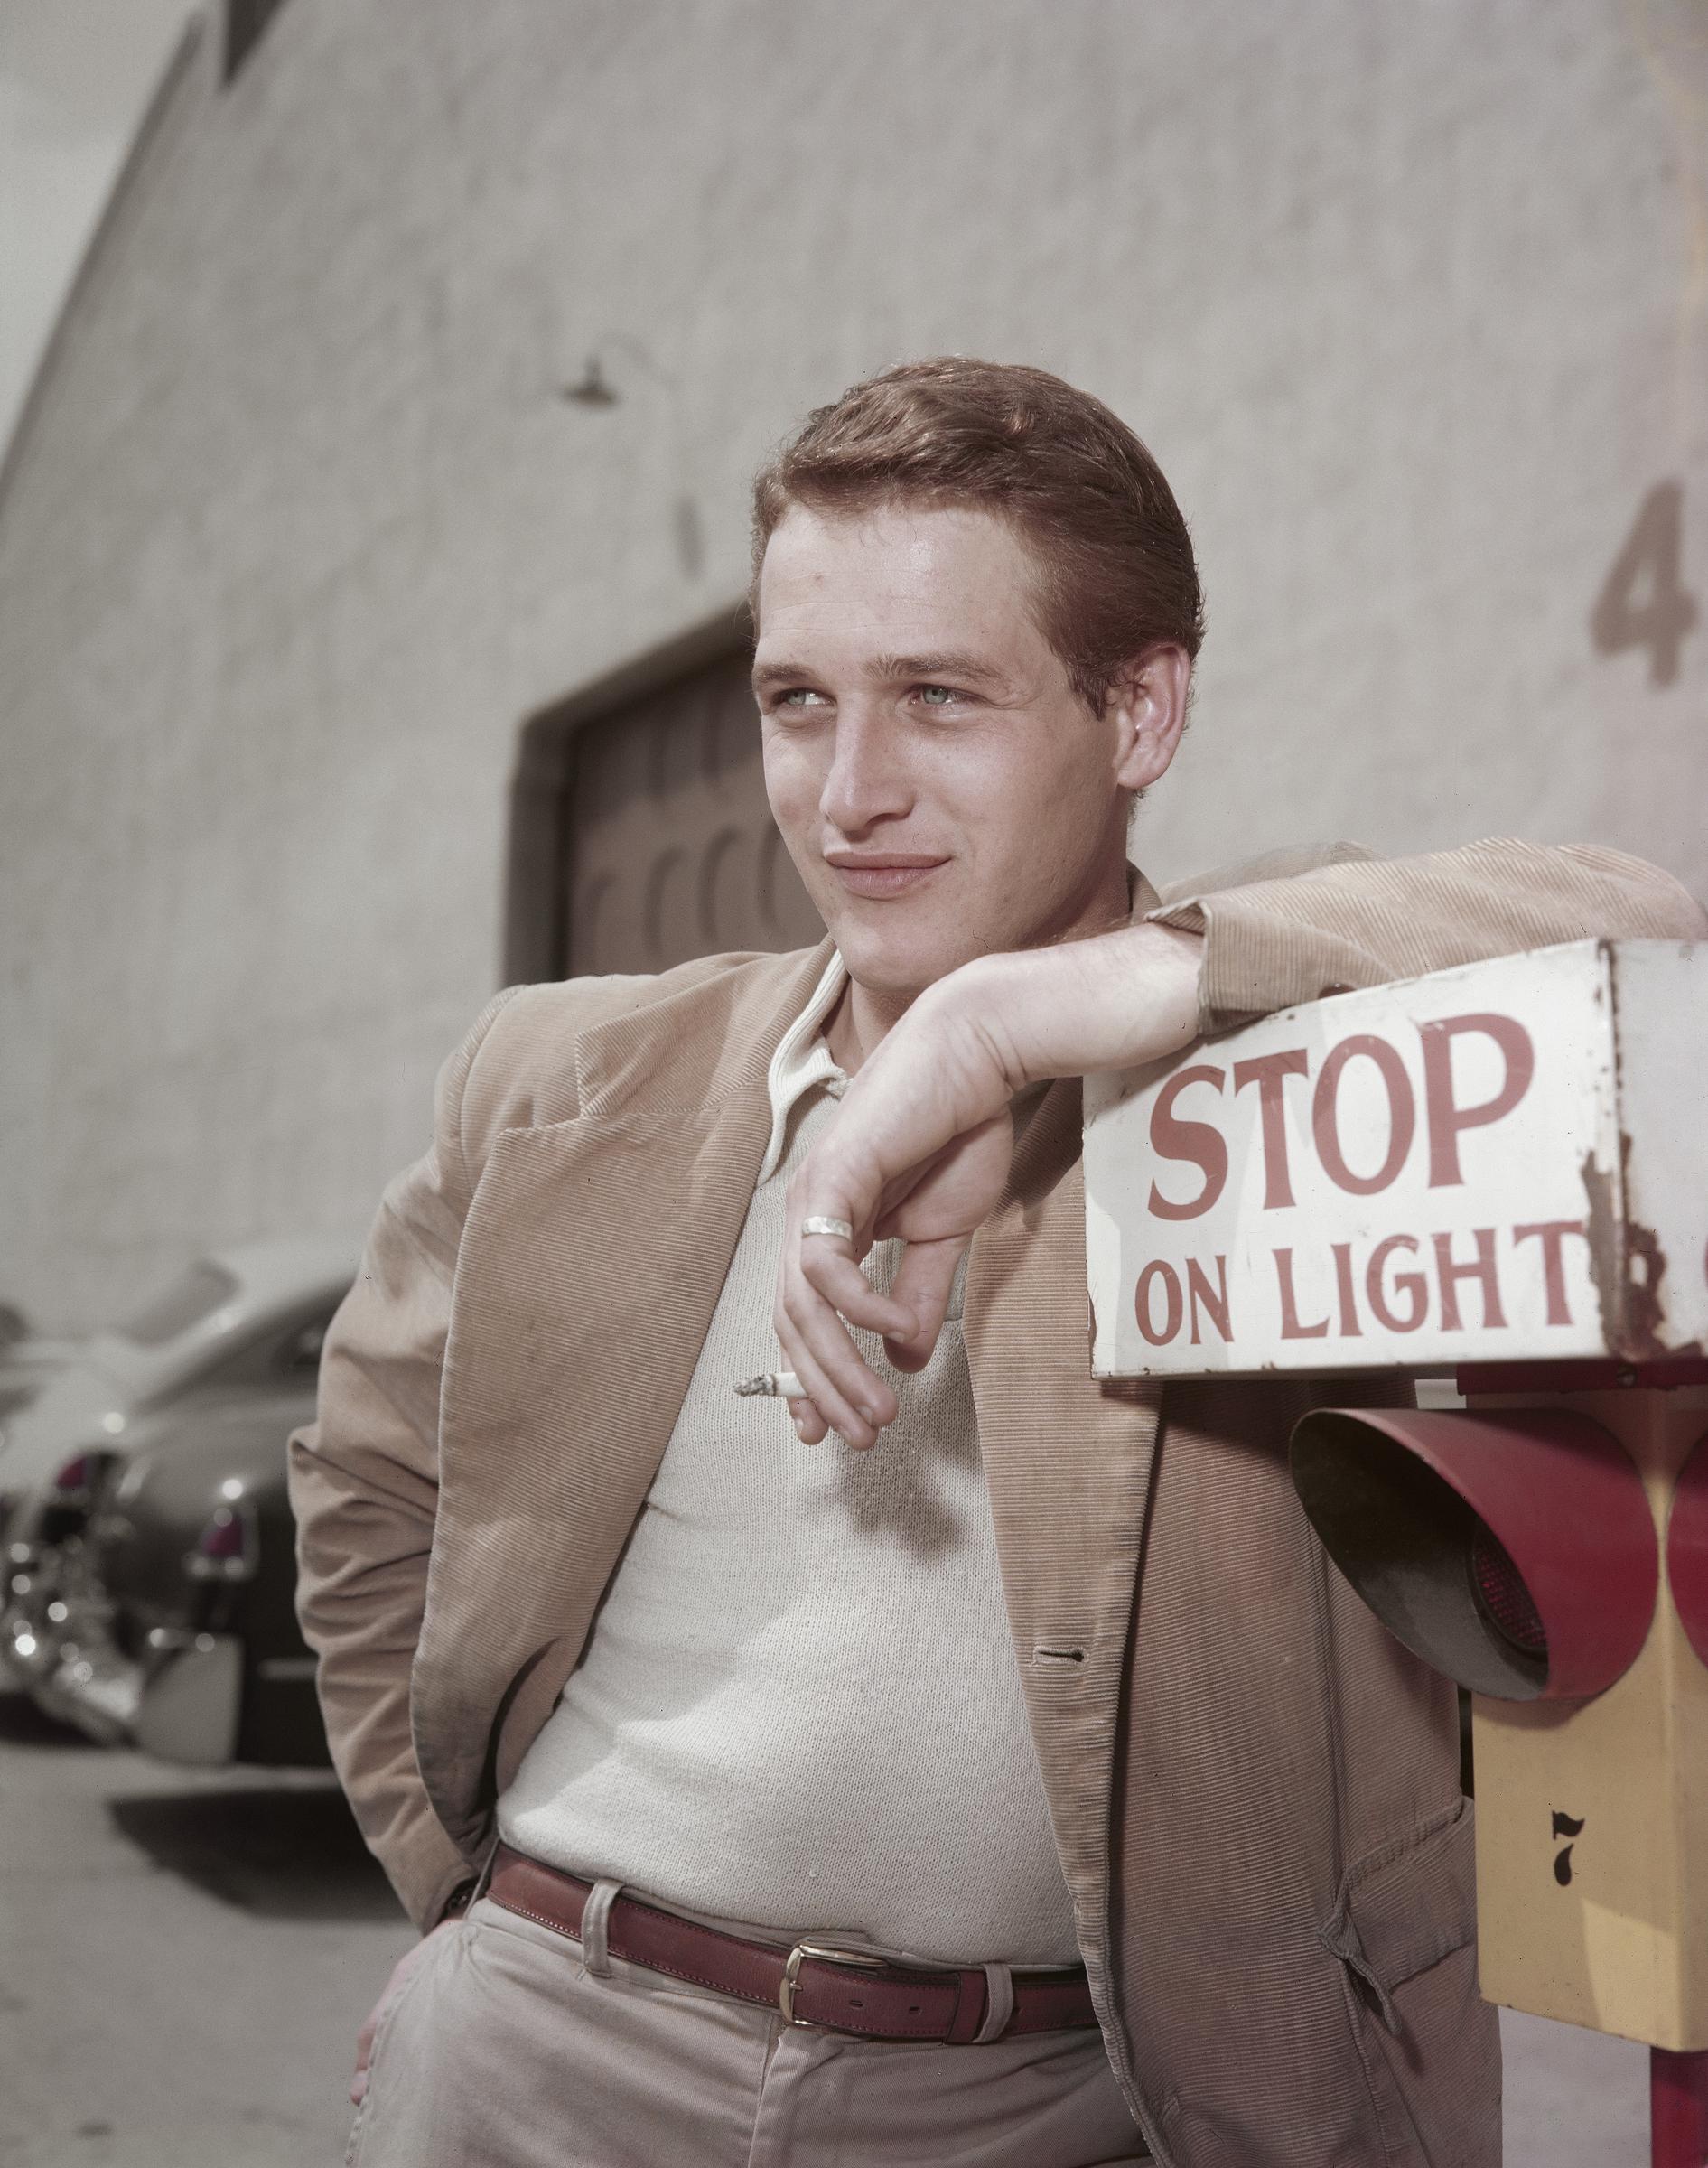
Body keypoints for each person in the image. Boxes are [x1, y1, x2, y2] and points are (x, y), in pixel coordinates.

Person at [289, 357, 1705, 2168]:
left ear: (1139, 710)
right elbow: (366, 1492)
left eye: (939, 699)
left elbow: (1646, 928)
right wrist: (459, 1909)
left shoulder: (1296, 1074)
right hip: (552, 2061)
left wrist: (1023, 1023)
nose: (847, 792)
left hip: (1071, 2103)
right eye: (797, 703)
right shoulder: (559, 1083)